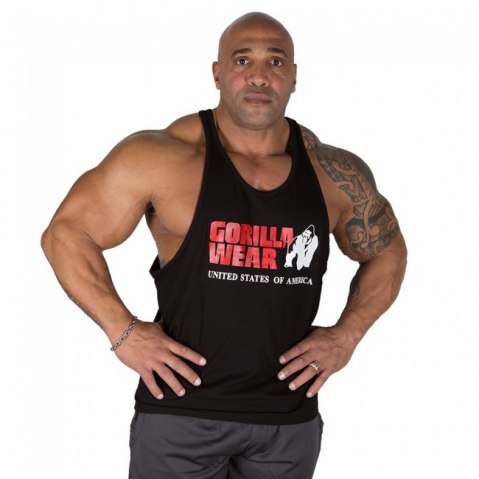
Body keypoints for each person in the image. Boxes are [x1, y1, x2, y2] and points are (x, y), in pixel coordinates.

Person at [41, 11, 407, 479]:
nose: (259, 75)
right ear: (217, 73)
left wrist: (346, 335)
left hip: (288, 421)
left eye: (276, 61)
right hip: (181, 411)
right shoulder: (161, 156)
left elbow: (387, 251)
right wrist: (123, 332)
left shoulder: (334, 172)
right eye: (242, 60)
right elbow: (67, 233)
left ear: (295, 77)